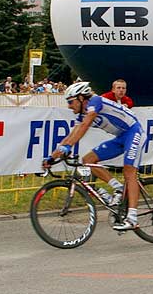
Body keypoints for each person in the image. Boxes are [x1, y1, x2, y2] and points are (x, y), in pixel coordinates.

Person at [44, 82, 145, 230]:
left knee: (129, 171)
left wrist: (68, 147)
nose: (69, 106)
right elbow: (71, 135)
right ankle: (118, 188)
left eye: (70, 102)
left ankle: (132, 218)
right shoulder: (82, 114)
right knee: (88, 160)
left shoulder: (95, 102)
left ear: (80, 98)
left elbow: (85, 126)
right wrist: (51, 158)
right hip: (121, 136)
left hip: (134, 132)